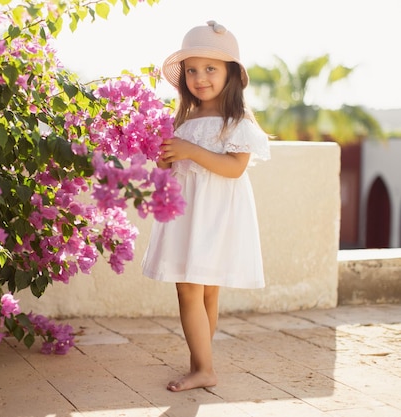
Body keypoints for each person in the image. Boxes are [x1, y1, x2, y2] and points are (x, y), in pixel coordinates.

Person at [141, 20, 271, 392]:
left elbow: (234, 168)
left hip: (216, 215)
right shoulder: (182, 119)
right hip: (188, 213)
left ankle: (203, 368)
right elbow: (170, 165)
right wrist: (166, 156)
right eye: (193, 70)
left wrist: (191, 150)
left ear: (230, 73)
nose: (200, 78)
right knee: (198, 291)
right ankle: (203, 361)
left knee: (195, 291)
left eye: (211, 69)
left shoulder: (236, 121)